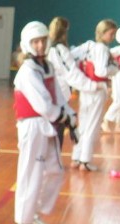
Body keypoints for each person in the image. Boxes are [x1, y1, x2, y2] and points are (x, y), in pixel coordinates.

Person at [13, 21, 75, 224]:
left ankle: (34, 212)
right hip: (32, 126)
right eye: (35, 42)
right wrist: (63, 116)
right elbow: (43, 104)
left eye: (42, 40)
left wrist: (71, 115)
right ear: (27, 44)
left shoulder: (46, 66)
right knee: (31, 173)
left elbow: (58, 96)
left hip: (47, 124)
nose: (40, 45)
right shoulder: (27, 71)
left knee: (55, 170)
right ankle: (24, 221)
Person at [46, 16, 107, 146]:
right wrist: (93, 85)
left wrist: (87, 46)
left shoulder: (56, 49)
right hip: (57, 96)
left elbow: (70, 59)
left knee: (56, 132)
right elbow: (71, 73)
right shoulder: (58, 49)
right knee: (55, 134)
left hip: (58, 96)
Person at [71, 19, 119, 172]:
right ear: (103, 33)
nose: (112, 37)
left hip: (86, 89)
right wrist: (115, 67)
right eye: (111, 34)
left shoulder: (89, 47)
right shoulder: (102, 49)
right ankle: (85, 160)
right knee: (92, 126)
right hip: (97, 89)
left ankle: (77, 157)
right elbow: (101, 71)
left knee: (84, 124)